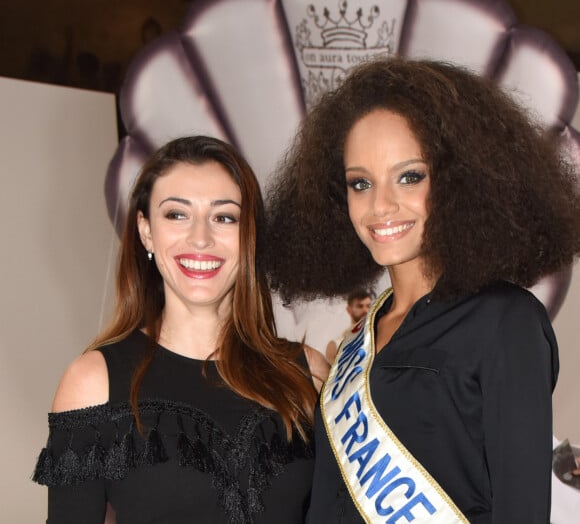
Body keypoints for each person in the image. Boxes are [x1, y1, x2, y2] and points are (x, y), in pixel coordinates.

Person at [264, 57, 580, 523]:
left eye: (410, 176)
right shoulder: (361, 338)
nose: (381, 205)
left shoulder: (505, 322)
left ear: (459, 182)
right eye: (360, 183)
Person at [33, 135, 328, 524]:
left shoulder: (305, 372)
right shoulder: (93, 383)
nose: (201, 238)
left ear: (249, 234)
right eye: (177, 214)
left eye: (224, 217)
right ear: (146, 230)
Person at [325, 288, 373, 363]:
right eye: (360, 306)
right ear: (349, 310)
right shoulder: (335, 346)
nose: (366, 311)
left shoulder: (379, 337)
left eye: (368, 306)